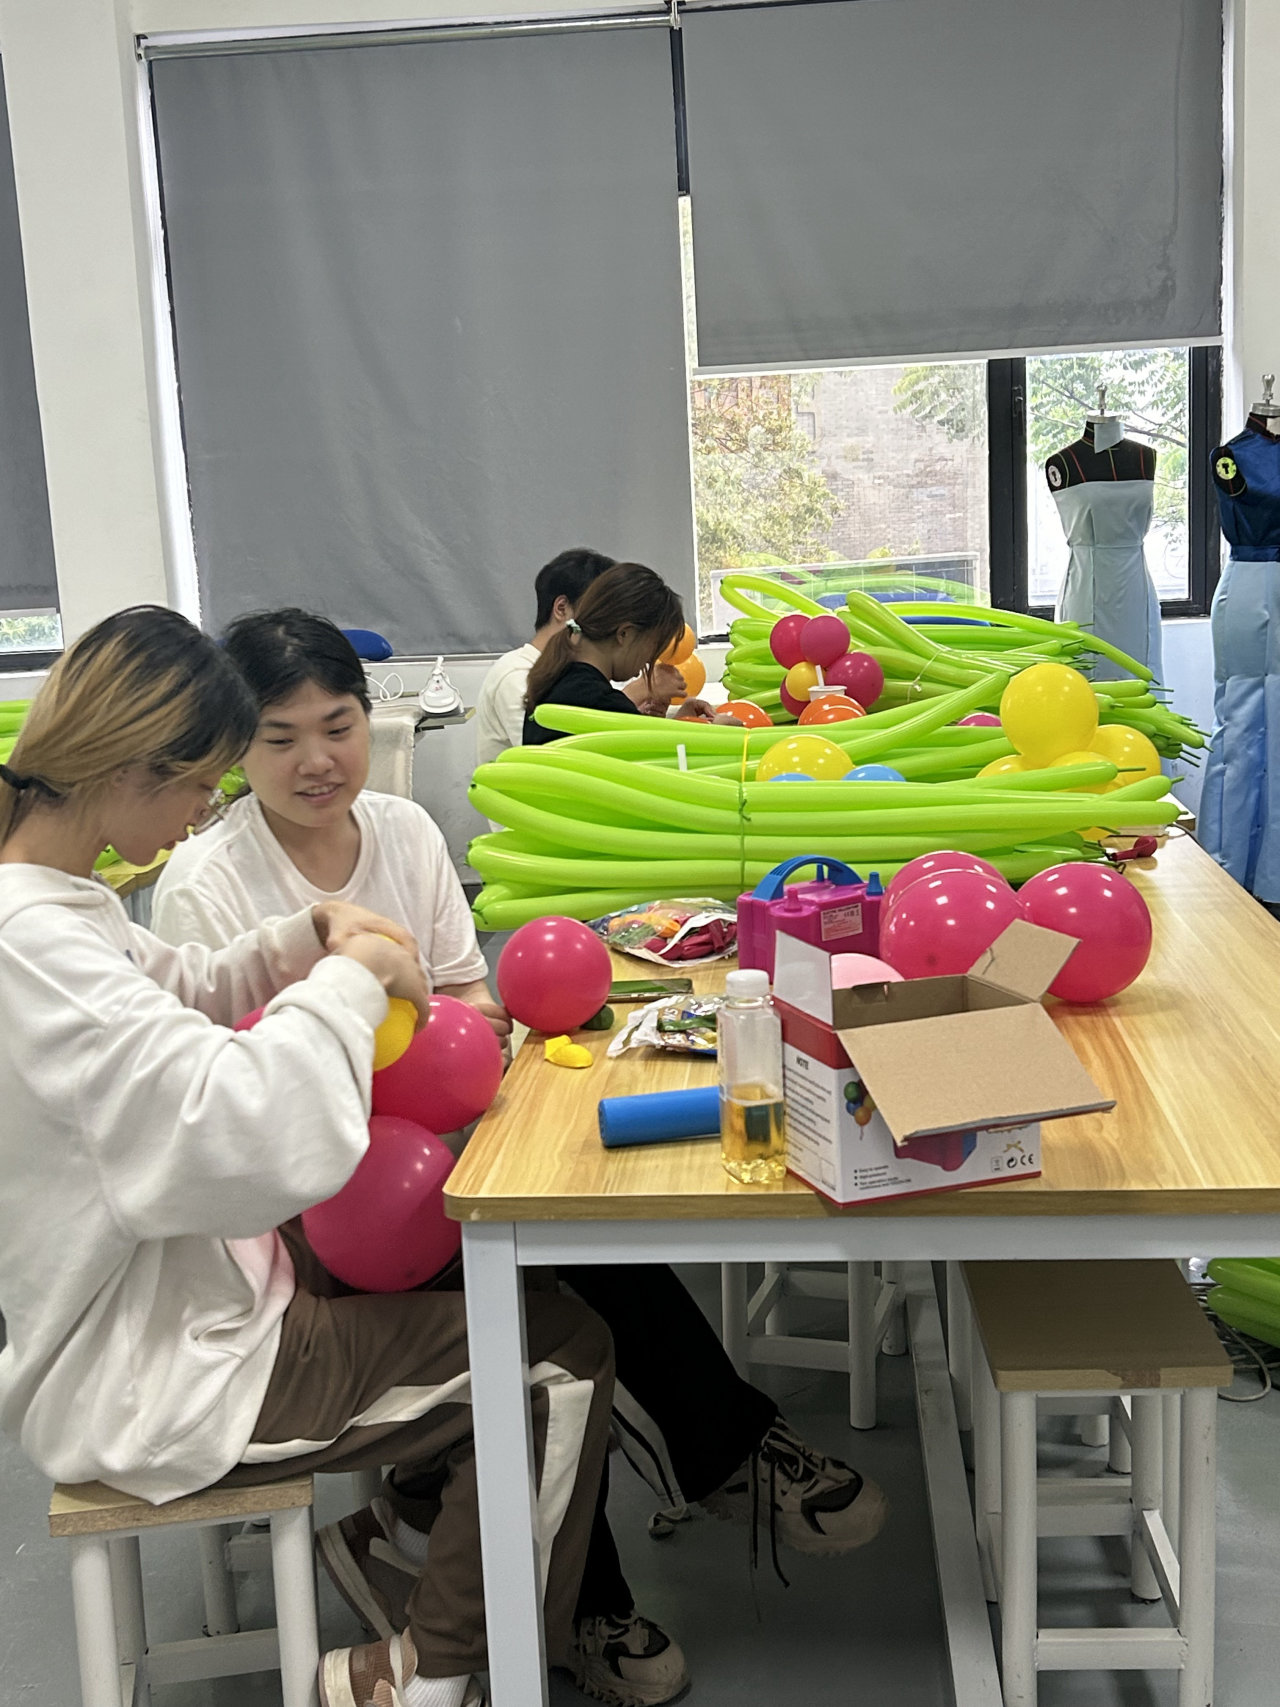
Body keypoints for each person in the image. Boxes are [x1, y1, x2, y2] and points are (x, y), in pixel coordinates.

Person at [154, 609, 889, 1706]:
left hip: (435, 1163)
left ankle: (705, 1462)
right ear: (232, 747)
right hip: (308, 1215)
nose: (317, 760)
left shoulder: (402, 830)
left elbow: (464, 995)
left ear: (367, 719)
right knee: (545, 1325)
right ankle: (598, 1584)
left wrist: (455, 1045)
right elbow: (227, 1107)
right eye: (280, 737)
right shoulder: (206, 884)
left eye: (339, 726)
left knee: (581, 1232)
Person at [0, 606, 617, 1707]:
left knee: (513, 1303)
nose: (203, 811)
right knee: (556, 1360)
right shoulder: (35, 949)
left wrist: (309, 934)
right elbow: (248, 1129)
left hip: (187, 1309)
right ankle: (431, 1675)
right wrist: (350, 978)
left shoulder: (56, 907)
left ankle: (409, 1562)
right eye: (204, 781)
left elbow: (187, 991)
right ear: (135, 768)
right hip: (167, 1372)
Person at [523, 562, 730, 744]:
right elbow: (656, 768)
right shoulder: (600, 704)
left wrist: (681, 723)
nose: (649, 662)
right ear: (625, 634)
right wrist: (718, 736)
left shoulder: (561, 682)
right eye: (653, 648)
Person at [474, 548, 615, 768]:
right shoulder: (516, 674)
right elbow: (554, 754)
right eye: (600, 613)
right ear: (562, 609)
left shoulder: (575, 675)